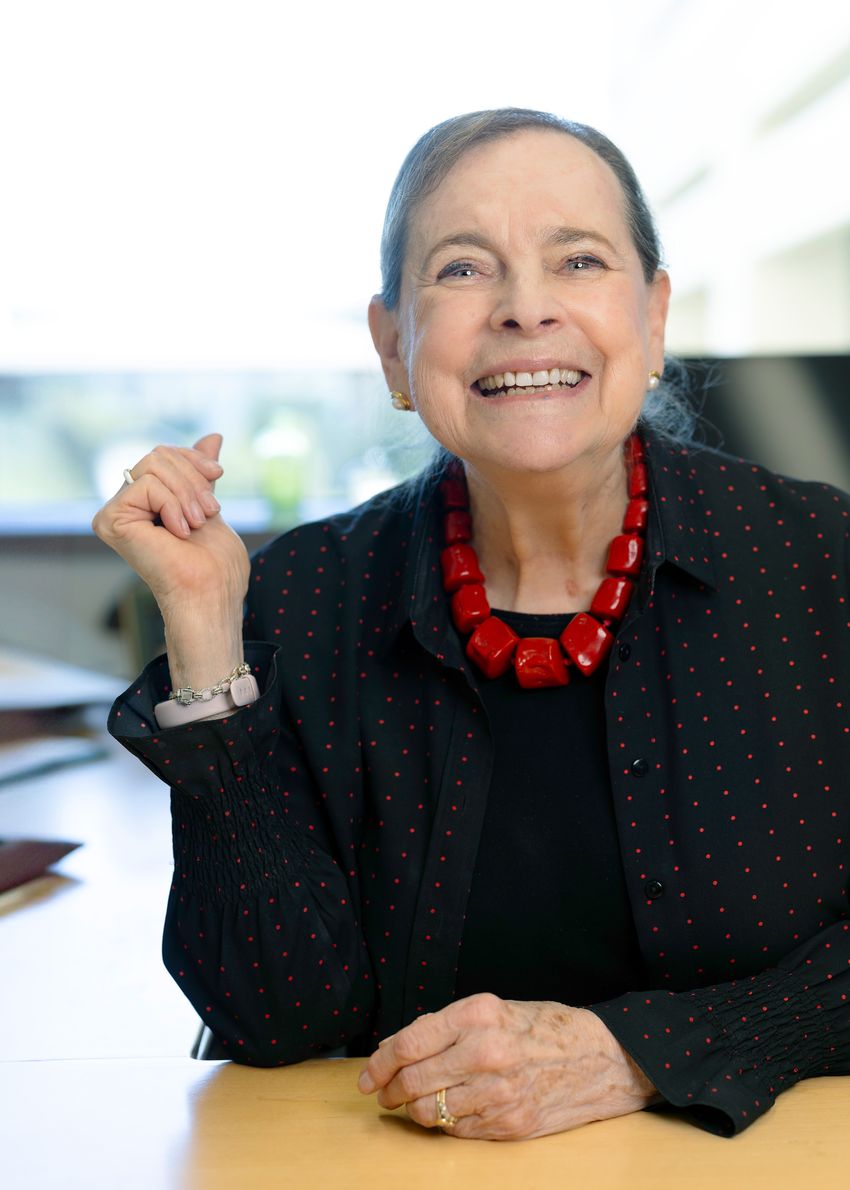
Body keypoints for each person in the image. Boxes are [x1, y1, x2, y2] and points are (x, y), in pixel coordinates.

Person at [93, 108, 850, 1141]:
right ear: (393, 348)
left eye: (577, 259)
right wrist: (207, 636)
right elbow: (267, 1017)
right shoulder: (307, 596)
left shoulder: (822, 562)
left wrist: (639, 1050)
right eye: (461, 270)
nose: (525, 309)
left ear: (654, 315)